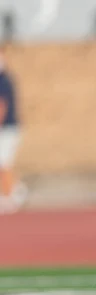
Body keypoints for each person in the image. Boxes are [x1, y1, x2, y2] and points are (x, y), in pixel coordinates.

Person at [0, 47, 25, 213]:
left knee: (3, 163)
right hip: (9, 128)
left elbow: (2, 106)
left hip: (7, 129)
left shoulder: (3, 80)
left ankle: (12, 197)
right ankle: (16, 192)